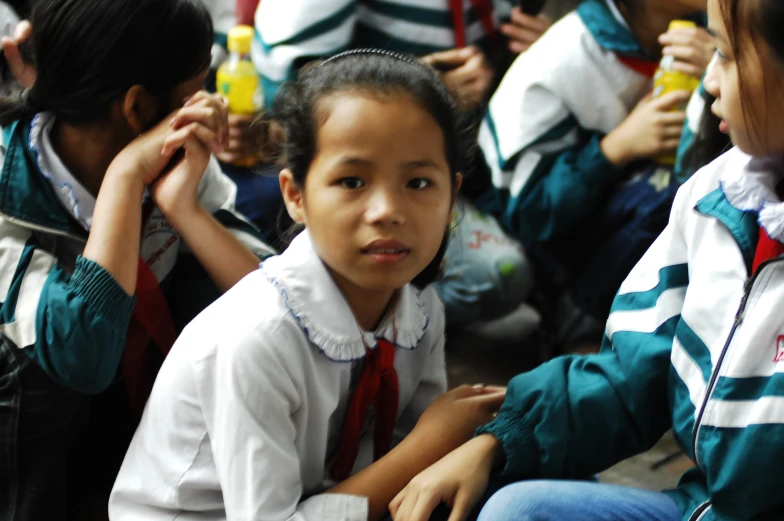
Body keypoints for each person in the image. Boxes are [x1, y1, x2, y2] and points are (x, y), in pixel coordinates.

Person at [390, 0, 784, 519]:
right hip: (704, 506)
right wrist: (499, 440)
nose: (709, 80)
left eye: (727, 55)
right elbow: (631, 369)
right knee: (513, 505)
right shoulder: (720, 194)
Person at [108, 50, 506, 521]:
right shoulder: (256, 338)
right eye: (352, 180)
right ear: (296, 195)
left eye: (418, 183)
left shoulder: (418, 309)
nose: (386, 211)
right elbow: (413, 455)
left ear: (453, 196)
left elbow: (409, 472)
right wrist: (433, 443)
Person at [0, 0, 274, 518]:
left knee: (219, 301)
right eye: (198, 87)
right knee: (34, 362)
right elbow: (85, 359)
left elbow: (278, 301)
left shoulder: (172, 157)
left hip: (132, 402)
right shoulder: (10, 184)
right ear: (137, 109)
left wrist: (184, 208)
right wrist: (124, 179)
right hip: (42, 445)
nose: (210, 102)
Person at [474, 0, 711, 331]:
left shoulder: (707, 36)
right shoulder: (568, 54)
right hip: (544, 233)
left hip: (613, 213)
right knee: (668, 199)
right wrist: (615, 148)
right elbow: (529, 212)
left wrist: (723, 65)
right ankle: (579, 315)